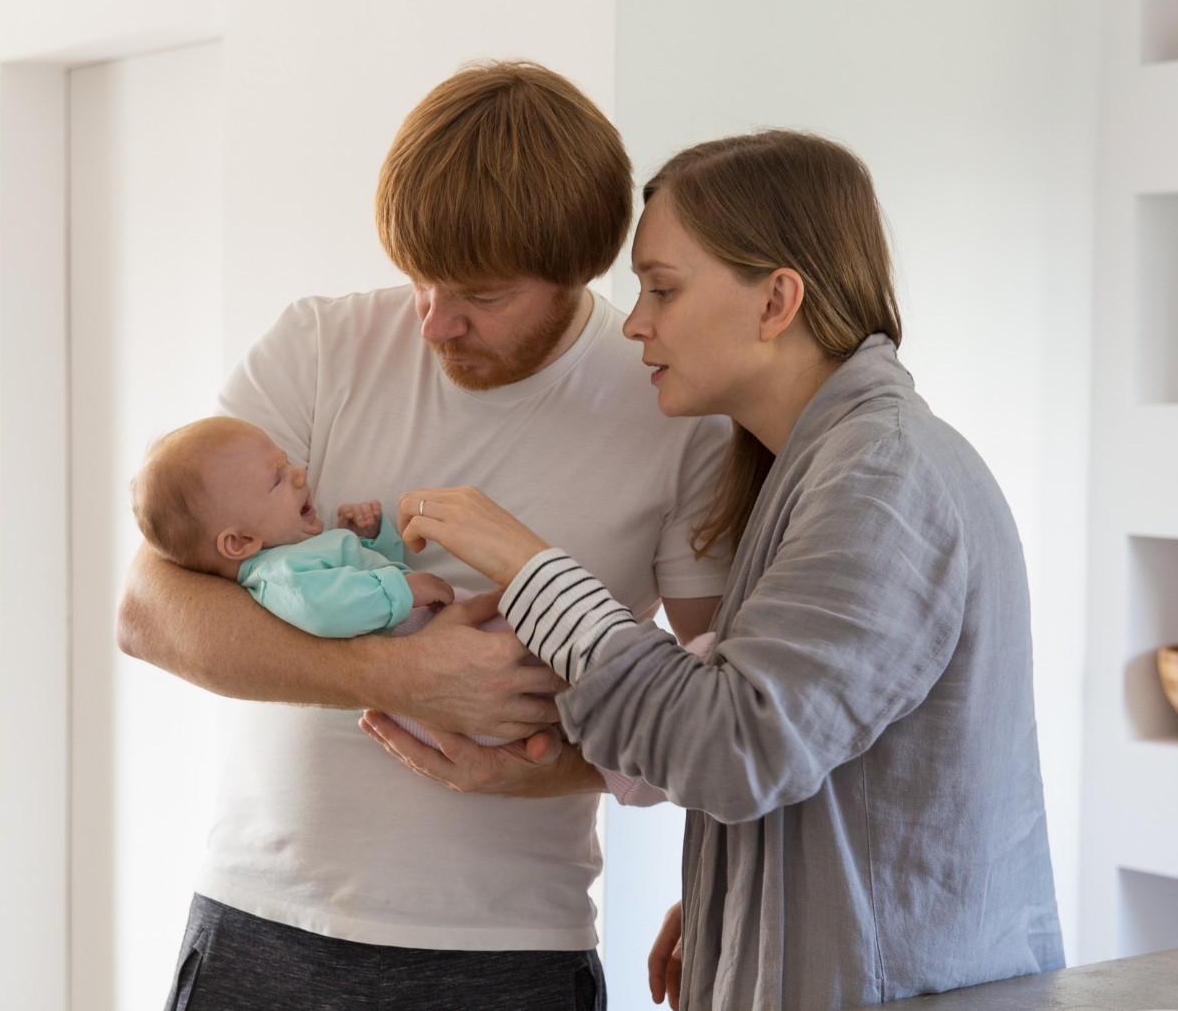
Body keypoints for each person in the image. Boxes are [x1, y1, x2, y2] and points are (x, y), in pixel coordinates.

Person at [366, 129, 1066, 1010]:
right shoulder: (820, 467)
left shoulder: (883, 479)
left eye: (662, 287)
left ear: (776, 301)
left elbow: (738, 745)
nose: (634, 321)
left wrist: (531, 566)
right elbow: (797, 732)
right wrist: (736, 894)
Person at [115, 60, 733, 1010]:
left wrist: (560, 790)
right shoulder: (319, 348)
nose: (436, 321)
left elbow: (716, 705)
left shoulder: (672, 410)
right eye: (419, 278)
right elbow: (150, 610)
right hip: (260, 922)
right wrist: (390, 674)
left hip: (508, 949)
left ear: (576, 270)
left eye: (481, 295)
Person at [130, 415, 455, 636]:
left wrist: (367, 540)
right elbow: (329, 611)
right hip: (420, 646)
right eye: (277, 479)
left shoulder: (293, 551)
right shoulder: (281, 576)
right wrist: (405, 590)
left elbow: (369, 576)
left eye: (286, 461)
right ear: (240, 541)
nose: (299, 473)